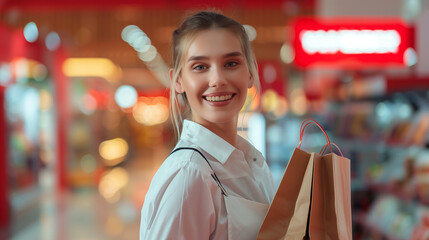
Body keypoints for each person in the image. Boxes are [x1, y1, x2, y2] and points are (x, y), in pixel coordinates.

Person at [140, 10, 275, 240]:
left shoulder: (252, 162)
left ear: (250, 72)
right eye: (200, 67)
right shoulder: (189, 175)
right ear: (178, 81)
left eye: (231, 63)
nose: (218, 79)